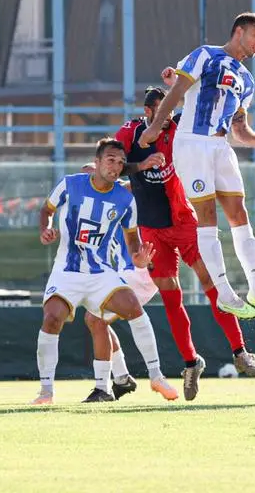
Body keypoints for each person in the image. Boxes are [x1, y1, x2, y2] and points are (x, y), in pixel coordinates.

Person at [113, 86, 255, 401]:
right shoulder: (129, 134)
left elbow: (213, 116)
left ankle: (240, 351)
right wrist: (140, 166)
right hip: (152, 231)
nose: (165, 117)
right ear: (146, 112)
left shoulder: (181, 128)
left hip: (185, 223)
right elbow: (112, 167)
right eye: (159, 111)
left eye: (169, 110)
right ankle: (191, 362)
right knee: (171, 297)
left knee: (212, 284)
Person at [138, 12, 255, 322]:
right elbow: (176, 92)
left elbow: (239, 129)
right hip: (192, 143)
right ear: (239, 31)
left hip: (220, 146)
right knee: (208, 216)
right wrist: (156, 128)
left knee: (239, 214)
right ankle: (226, 293)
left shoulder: (247, 80)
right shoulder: (205, 55)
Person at [31, 138, 167, 405]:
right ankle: (46, 391)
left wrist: (138, 259)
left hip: (102, 272)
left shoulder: (126, 199)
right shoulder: (70, 184)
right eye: (110, 161)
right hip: (67, 270)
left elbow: (132, 241)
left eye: (119, 163)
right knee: (52, 318)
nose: (115, 167)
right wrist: (45, 229)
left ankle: (156, 376)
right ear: (96, 163)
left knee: (130, 307)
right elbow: (46, 209)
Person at [78, 161, 179, 403]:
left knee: (94, 318)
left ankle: (107, 387)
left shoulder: (127, 192)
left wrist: (108, 178)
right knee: (94, 320)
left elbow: (132, 185)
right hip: (126, 271)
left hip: (142, 269)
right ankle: (122, 378)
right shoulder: (99, 207)